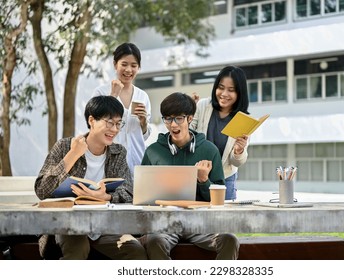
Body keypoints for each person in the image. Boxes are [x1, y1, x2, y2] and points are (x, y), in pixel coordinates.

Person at [34, 95, 147, 260]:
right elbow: (42, 190)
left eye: (118, 124)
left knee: (135, 251)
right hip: (68, 225)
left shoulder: (118, 152)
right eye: (109, 123)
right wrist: (73, 154)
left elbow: (128, 190)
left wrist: (106, 196)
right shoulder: (65, 146)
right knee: (78, 249)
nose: (115, 129)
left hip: (103, 227)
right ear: (92, 120)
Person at [140, 92, 239, 260]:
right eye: (168, 119)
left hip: (201, 224)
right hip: (166, 223)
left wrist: (203, 181)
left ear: (190, 118)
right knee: (155, 240)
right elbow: (142, 197)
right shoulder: (153, 151)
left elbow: (218, 201)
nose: (173, 124)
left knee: (229, 239)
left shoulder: (209, 150)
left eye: (179, 118)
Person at [190, 66, 250, 200]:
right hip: (196, 175)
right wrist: (188, 110)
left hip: (225, 179)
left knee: (224, 219)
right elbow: (188, 134)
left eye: (231, 90)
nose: (224, 94)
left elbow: (236, 162)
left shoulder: (243, 120)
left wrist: (239, 151)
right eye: (221, 87)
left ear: (240, 93)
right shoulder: (203, 105)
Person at [94, 42, 152, 177]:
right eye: (124, 64)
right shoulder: (101, 92)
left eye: (134, 65)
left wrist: (143, 122)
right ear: (115, 65)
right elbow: (95, 128)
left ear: (139, 67)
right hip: (109, 163)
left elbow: (144, 136)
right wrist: (113, 96)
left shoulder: (142, 96)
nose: (128, 70)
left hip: (137, 163)